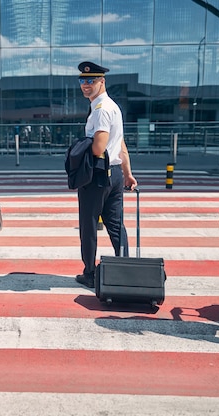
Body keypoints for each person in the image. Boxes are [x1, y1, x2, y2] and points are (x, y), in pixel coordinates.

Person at [74, 62, 137, 288]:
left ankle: (89, 273)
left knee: (89, 225)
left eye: (91, 81)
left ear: (102, 82)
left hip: (98, 175)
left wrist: (79, 152)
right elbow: (121, 145)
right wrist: (127, 174)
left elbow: (99, 147)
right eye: (82, 81)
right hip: (116, 173)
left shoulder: (101, 109)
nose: (86, 85)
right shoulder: (114, 107)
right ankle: (125, 269)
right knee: (116, 224)